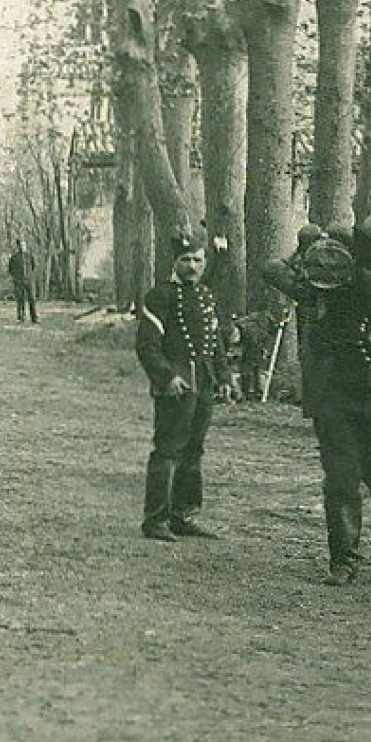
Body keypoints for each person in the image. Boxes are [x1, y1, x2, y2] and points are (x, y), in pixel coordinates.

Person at [263, 214, 371, 584]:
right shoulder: (332, 279)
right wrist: (304, 252)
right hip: (336, 395)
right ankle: (344, 558)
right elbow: (272, 271)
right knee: (341, 478)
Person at [137, 231, 240, 541]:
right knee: (168, 449)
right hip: (177, 385)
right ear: (174, 263)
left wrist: (224, 377)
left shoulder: (206, 296)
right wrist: (167, 377)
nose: (192, 266)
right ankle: (156, 519)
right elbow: (147, 346)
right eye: (185, 260)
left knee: (194, 450)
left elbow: (215, 344)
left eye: (197, 260)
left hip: (204, 382)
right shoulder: (161, 296)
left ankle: (184, 515)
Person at [8, 240, 39, 324]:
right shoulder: (14, 258)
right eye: (21, 245)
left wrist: (29, 276)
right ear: (18, 247)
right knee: (20, 299)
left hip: (29, 280)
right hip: (19, 280)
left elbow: (33, 266)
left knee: (32, 298)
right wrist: (16, 278)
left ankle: (34, 318)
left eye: (24, 245)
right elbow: (11, 270)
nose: (23, 247)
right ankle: (21, 318)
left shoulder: (30, 256)